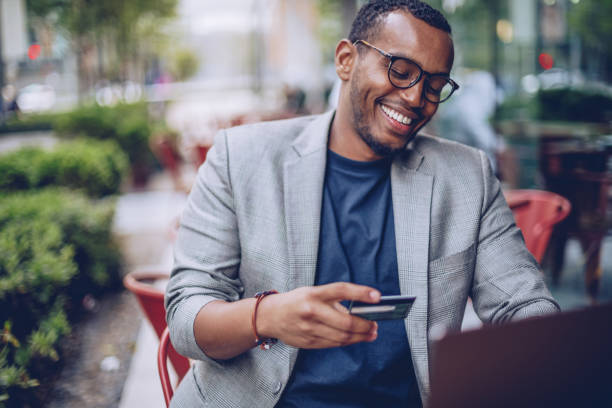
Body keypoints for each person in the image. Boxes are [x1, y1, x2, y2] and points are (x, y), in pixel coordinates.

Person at [165, 1, 559, 407]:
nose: (415, 97)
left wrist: (547, 354)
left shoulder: (466, 176)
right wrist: (267, 317)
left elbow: (523, 303)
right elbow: (184, 318)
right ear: (346, 60)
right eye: (400, 71)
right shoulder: (241, 157)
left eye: (435, 86)